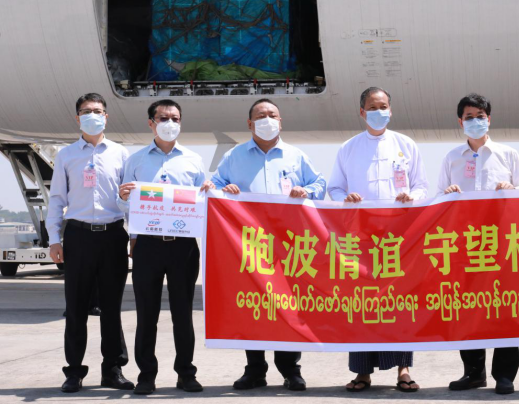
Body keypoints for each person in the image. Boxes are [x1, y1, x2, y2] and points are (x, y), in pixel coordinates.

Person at [211, 98, 326, 392]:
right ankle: (255, 370)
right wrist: (224, 189)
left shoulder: (296, 156)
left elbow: (320, 185)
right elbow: (213, 186)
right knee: (253, 305)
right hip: (248, 245)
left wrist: (306, 190)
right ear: (250, 123)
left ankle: (290, 370)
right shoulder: (234, 156)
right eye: (260, 115)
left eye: (272, 115)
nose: (267, 120)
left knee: (288, 305)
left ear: (280, 121)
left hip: (289, 246)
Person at [327, 86, 427, 393]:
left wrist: (411, 196)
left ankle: (403, 370)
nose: (379, 112)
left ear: (391, 110)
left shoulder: (406, 145)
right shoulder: (348, 148)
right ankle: (362, 372)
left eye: (383, 106)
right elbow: (334, 189)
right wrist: (346, 200)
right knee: (361, 301)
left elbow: (422, 186)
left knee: (399, 301)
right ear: (362, 112)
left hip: (399, 237)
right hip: (360, 238)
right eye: (372, 107)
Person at [117, 99, 215, 395]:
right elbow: (124, 204)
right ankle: (146, 375)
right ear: (151, 123)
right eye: (163, 118)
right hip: (147, 245)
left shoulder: (193, 160)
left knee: (183, 313)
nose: (170, 123)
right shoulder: (136, 160)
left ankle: (186, 373)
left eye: (175, 118)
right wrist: (123, 197)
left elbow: (203, 202)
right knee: (146, 313)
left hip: (183, 247)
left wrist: (209, 192)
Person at [439, 93, 519, 395]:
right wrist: (447, 193)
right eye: (469, 117)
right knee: (468, 308)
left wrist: (513, 188)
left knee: (505, 307)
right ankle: (473, 373)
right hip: (464, 244)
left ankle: (504, 375)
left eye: (480, 116)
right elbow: (437, 196)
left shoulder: (507, 154)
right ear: (460, 122)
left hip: (501, 243)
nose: (475, 121)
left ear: (489, 119)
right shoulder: (452, 157)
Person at [46, 93, 133, 393]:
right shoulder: (66, 155)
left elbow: (129, 200)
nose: (92, 115)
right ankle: (74, 371)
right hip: (78, 236)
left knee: (111, 307)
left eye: (97, 111)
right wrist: (54, 239)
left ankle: (113, 369)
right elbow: (57, 199)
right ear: (77, 117)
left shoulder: (121, 154)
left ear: (106, 117)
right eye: (86, 111)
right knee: (76, 307)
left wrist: (134, 235)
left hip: (112, 235)